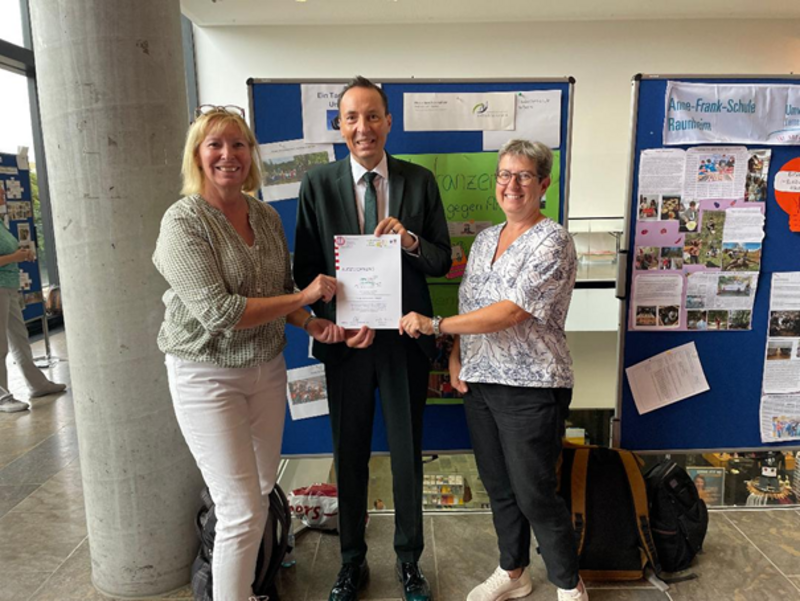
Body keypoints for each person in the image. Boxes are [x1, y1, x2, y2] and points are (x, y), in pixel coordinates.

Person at [153, 105, 342, 601]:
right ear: (197, 154)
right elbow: (219, 312)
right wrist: (305, 297)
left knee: (258, 493)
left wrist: (310, 321)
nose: (228, 154)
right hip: (206, 374)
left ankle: (245, 590)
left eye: (238, 144)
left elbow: (280, 292)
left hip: (266, 371)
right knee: (238, 509)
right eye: (215, 144)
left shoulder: (265, 215)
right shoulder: (183, 221)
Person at [400, 139, 587, 601]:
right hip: (480, 381)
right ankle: (514, 571)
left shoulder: (553, 240)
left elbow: (511, 312)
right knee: (499, 486)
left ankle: (569, 584)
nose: (512, 184)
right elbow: (472, 305)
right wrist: (455, 353)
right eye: (505, 174)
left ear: (543, 184)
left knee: (535, 491)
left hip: (530, 384)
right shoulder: (485, 240)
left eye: (524, 175)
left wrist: (435, 325)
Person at [294, 76, 451, 601]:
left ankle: (409, 561)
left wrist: (409, 240)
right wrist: (332, 317)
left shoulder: (419, 181)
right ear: (339, 126)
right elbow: (306, 269)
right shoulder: (317, 184)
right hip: (346, 343)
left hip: (405, 339)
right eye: (352, 118)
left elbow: (441, 260)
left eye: (373, 116)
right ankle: (351, 561)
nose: (363, 127)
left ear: (389, 121)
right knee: (350, 452)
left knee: (407, 454)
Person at [0, 185, 66, 413]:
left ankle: (37, 384)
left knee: (20, 338)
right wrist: (15, 256)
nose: (3, 194)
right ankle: (2, 396)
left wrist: (20, 255)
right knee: (0, 345)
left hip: (9, 286)